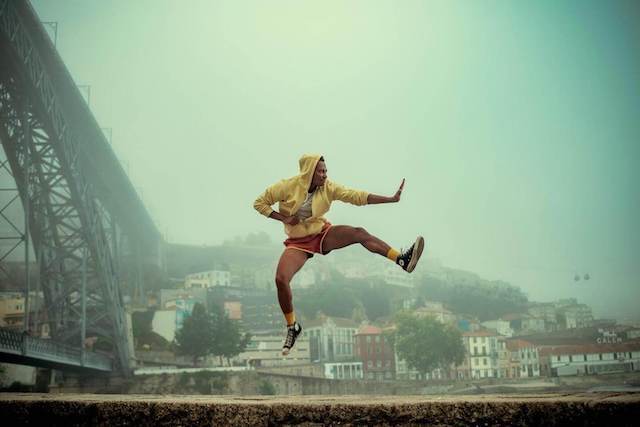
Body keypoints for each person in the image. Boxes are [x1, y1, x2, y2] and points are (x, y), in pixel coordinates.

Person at [254, 154, 424, 355]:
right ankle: (293, 327)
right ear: (309, 172)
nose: (325, 175)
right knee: (281, 279)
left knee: (359, 233)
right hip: (298, 242)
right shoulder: (286, 186)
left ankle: (402, 260)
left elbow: (356, 196)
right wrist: (283, 218)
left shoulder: (329, 187)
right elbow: (260, 203)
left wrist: (390, 199)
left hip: (321, 232)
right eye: (320, 171)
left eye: (326, 171)